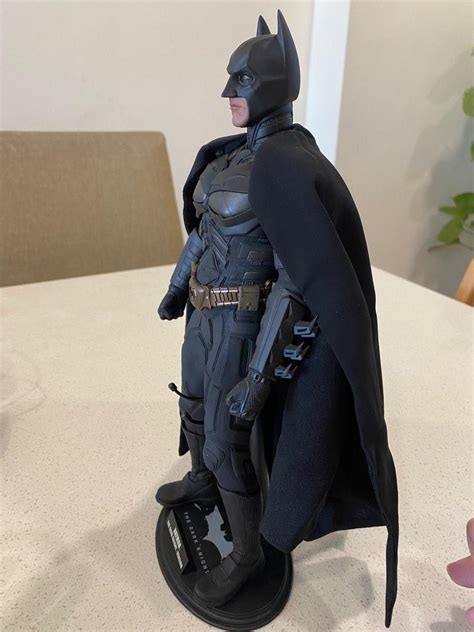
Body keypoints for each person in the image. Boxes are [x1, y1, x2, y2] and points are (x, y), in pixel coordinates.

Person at [156, 11, 399, 626]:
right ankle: (202, 484)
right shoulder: (226, 161)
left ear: (271, 85)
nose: (228, 93)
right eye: (230, 78)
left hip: (243, 325)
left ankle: (246, 556)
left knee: (226, 439)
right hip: (202, 316)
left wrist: (260, 377)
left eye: (240, 80)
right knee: (193, 409)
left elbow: (300, 284)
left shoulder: (290, 168)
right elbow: (201, 236)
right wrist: (176, 288)